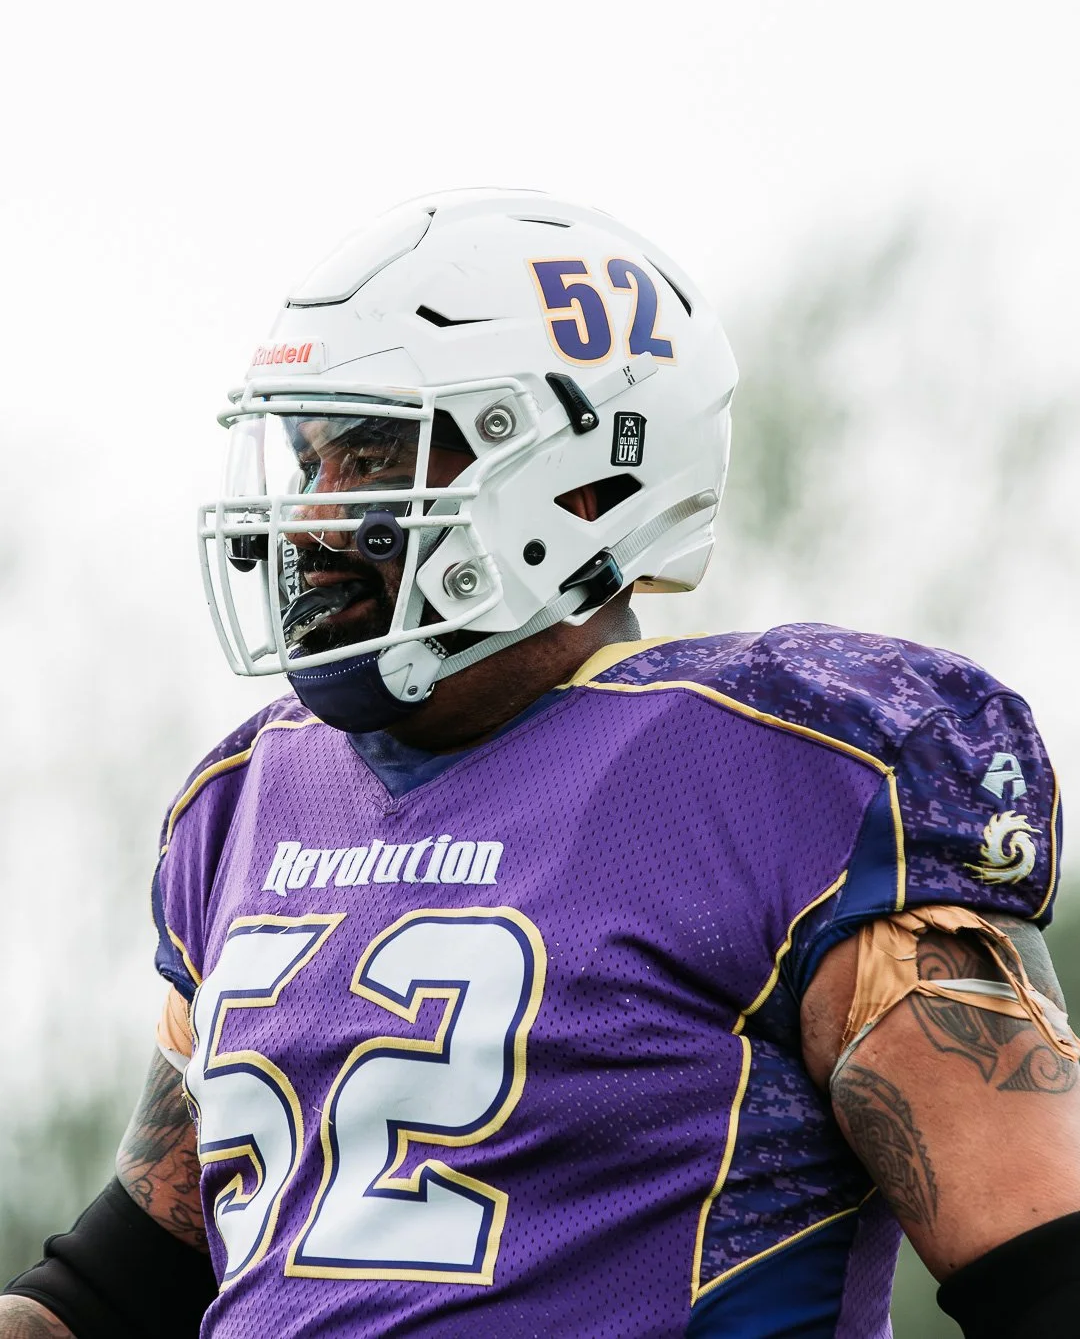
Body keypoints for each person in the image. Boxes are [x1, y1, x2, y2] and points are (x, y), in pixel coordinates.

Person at [4, 189, 1079, 1339]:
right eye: (306, 460)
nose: (309, 521)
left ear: (577, 483)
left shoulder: (789, 773)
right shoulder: (248, 803)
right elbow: (118, 1292)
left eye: (367, 456)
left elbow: (1046, 1274)